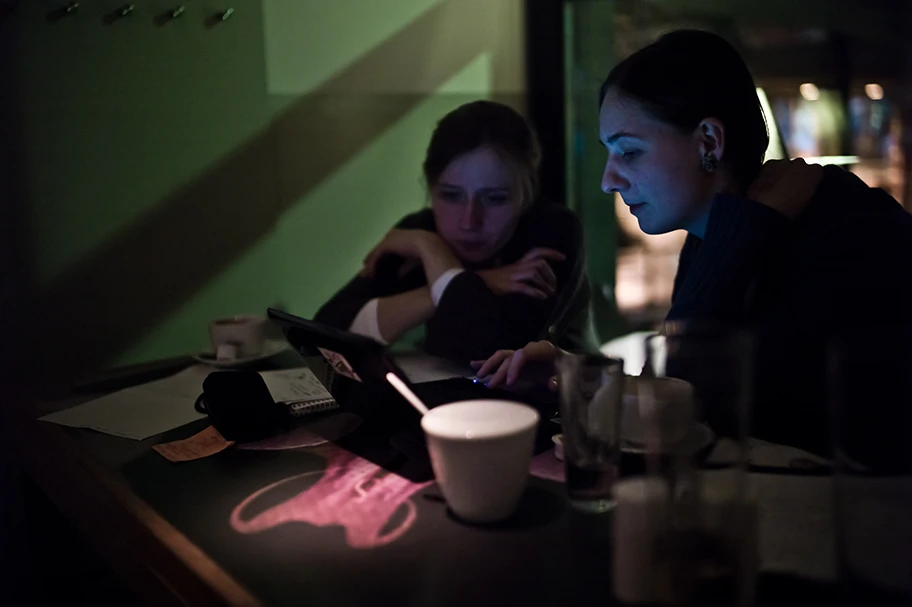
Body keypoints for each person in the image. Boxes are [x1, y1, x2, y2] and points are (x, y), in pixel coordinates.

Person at [475, 30, 912, 462]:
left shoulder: (846, 236)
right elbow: (676, 396)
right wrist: (573, 379)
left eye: (628, 152)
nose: (609, 180)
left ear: (708, 142)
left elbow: (678, 420)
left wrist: (739, 235)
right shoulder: (717, 233)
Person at [315, 100, 593, 364]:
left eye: (494, 199)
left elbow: (480, 351)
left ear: (527, 195)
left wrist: (432, 255)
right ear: (430, 187)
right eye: (451, 196)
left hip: (564, 405)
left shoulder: (553, 232)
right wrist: (470, 277)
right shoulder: (421, 231)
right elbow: (323, 333)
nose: (469, 221)